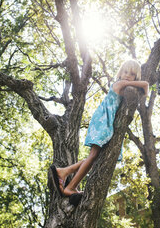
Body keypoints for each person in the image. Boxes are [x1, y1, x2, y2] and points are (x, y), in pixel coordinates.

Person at [50, 59, 149, 205]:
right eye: (125, 72)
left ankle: (64, 172)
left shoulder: (124, 86)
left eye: (132, 75)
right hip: (103, 120)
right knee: (94, 154)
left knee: (95, 156)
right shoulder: (119, 84)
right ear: (120, 73)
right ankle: (70, 187)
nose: (128, 76)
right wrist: (138, 84)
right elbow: (146, 85)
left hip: (105, 121)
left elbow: (143, 90)